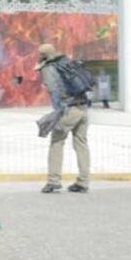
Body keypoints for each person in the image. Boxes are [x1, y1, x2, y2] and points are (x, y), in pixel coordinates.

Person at [36, 43, 90, 194]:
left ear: (42, 55)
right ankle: (83, 182)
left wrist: (58, 111)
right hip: (83, 107)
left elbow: (54, 89)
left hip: (69, 109)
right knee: (81, 144)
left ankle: (53, 181)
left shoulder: (48, 68)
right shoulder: (67, 62)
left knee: (57, 142)